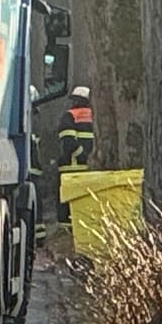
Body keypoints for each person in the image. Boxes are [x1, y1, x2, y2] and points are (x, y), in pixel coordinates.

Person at [56, 86, 94, 225]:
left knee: (66, 202)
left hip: (70, 167)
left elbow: (68, 142)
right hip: (91, 168)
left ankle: (67, 230)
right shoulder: (95, 115)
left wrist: (80, 155)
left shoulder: (69, 116)